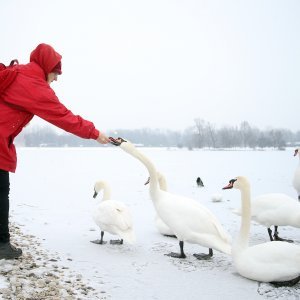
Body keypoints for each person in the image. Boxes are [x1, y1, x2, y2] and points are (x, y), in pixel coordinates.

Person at [0, 43, 111, 259]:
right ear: (45, 67)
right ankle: (1, 244)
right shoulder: (33, 84)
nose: (57, 78)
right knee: (1, 190)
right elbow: (63, 117)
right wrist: (95, 133)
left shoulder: (18, 72)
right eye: (56, 72)